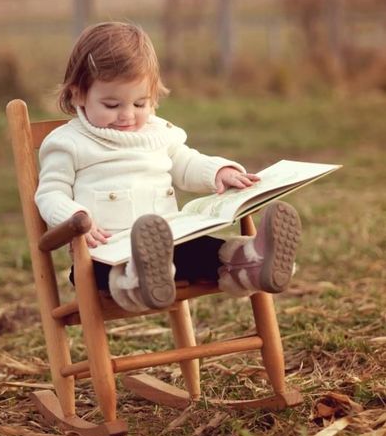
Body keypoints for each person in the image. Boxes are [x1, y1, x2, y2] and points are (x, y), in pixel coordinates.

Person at [35, 21, 301, 312]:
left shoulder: (158, 132)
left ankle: (252, 261)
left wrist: (219, 172)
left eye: (140, 104)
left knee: (204, 250)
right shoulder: (68, 142)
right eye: (112, 105)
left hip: (169, 244)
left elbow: (185, 162)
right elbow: (49, 193)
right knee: (113, 269)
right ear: (78, 95)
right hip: (104, 255)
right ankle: (139, 281)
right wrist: (76, 219)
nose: (127, 115)